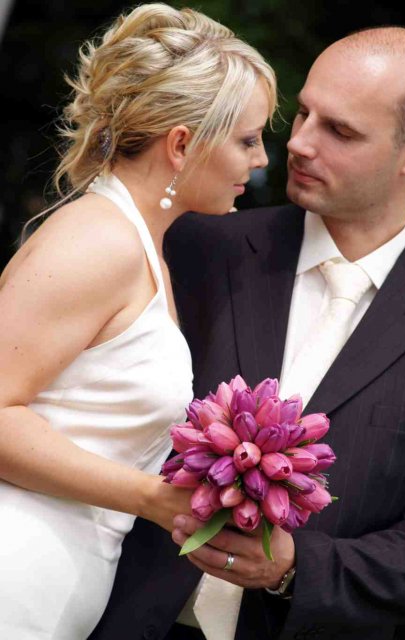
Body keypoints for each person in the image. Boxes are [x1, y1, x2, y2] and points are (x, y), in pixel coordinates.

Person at [90, 25, 405, 640]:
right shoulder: (196, 247)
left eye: (340, 131)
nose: (298, 142)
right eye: (303, 113)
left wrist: (297, 569)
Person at [0, 3, 276, 638]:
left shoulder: (142, 245)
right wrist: (151, 498)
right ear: (180, 144)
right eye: (247, 139)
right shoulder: (99, 241)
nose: (261, 160)